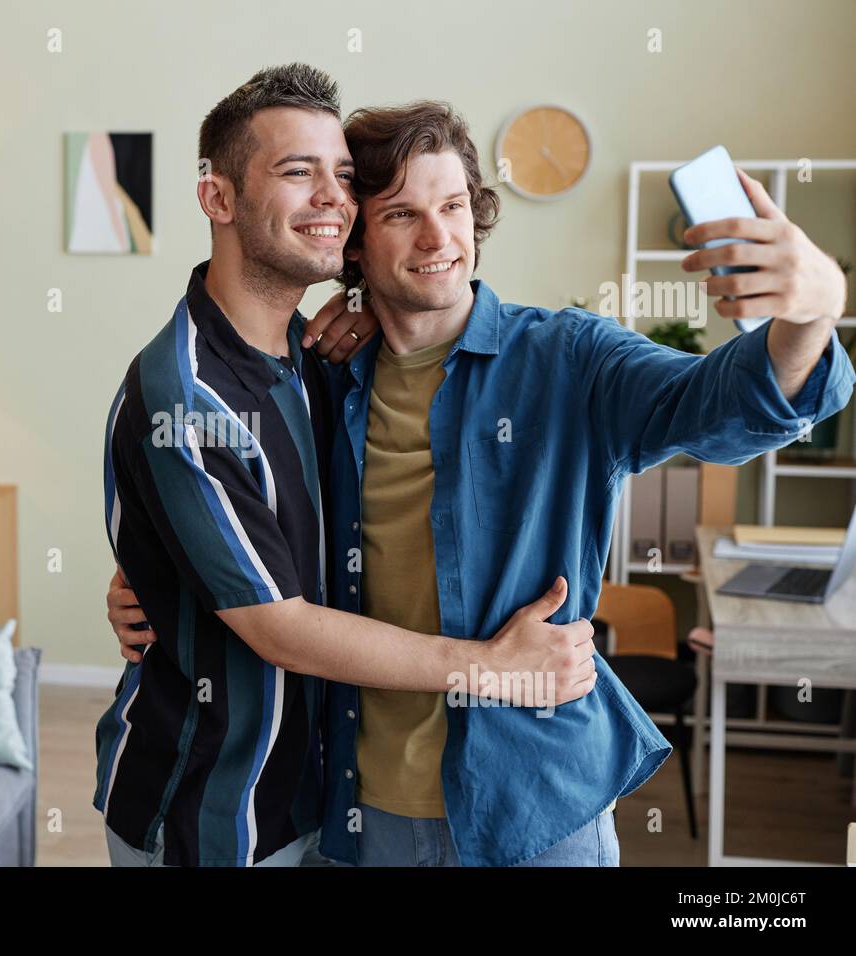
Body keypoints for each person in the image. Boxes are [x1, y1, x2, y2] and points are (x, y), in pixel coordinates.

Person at [107, 90, 854, 867]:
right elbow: (247, 508)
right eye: (400, 214)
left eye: (455, 206)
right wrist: (160, 580)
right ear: (357, 241)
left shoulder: (570, 359)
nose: (439, 238)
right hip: (358, 814)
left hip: (534, 811)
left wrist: (812, 312)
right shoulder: (323, 374)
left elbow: (723, 405)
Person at [97, 65, 598, 869]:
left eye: (340, 175)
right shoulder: (185, 395)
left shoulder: (319, 360)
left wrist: (160, 581)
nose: (332, 195)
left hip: (319, 800)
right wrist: (494, 670)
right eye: (298, 172)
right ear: (217, 199)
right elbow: (279, 626)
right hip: (210, 811)